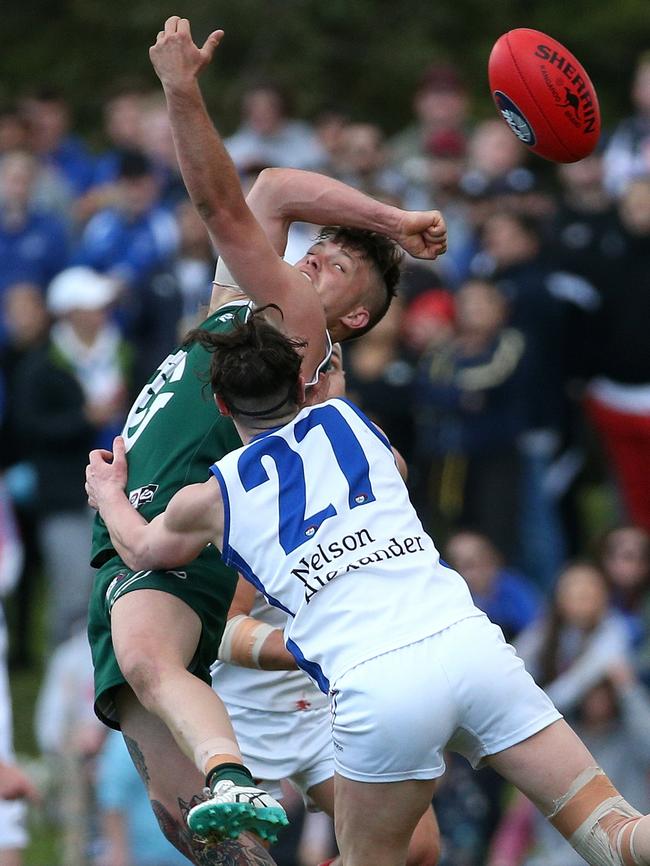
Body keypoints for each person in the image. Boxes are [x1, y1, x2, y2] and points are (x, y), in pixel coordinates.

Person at [87, 310, 650, 866]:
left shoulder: (212, 496)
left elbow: (140, 551)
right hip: (473, 649)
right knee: (615, 836)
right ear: (305, 386)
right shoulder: (356, 424)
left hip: (378, 685)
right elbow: (393, 473)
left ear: (221, 405)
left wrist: (109, 493)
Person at [86, 14, 447, 862]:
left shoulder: (299, 334)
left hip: (176, 545)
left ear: (351, 318)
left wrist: (180, 91)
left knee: (151, 671)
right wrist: (388, 219)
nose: (316, 256)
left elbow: (234, 197)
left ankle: (233, 771)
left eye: (339, 264)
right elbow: (276, 188)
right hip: (144, 545)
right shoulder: (239, 311)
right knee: (211, 841)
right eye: (318, 245)